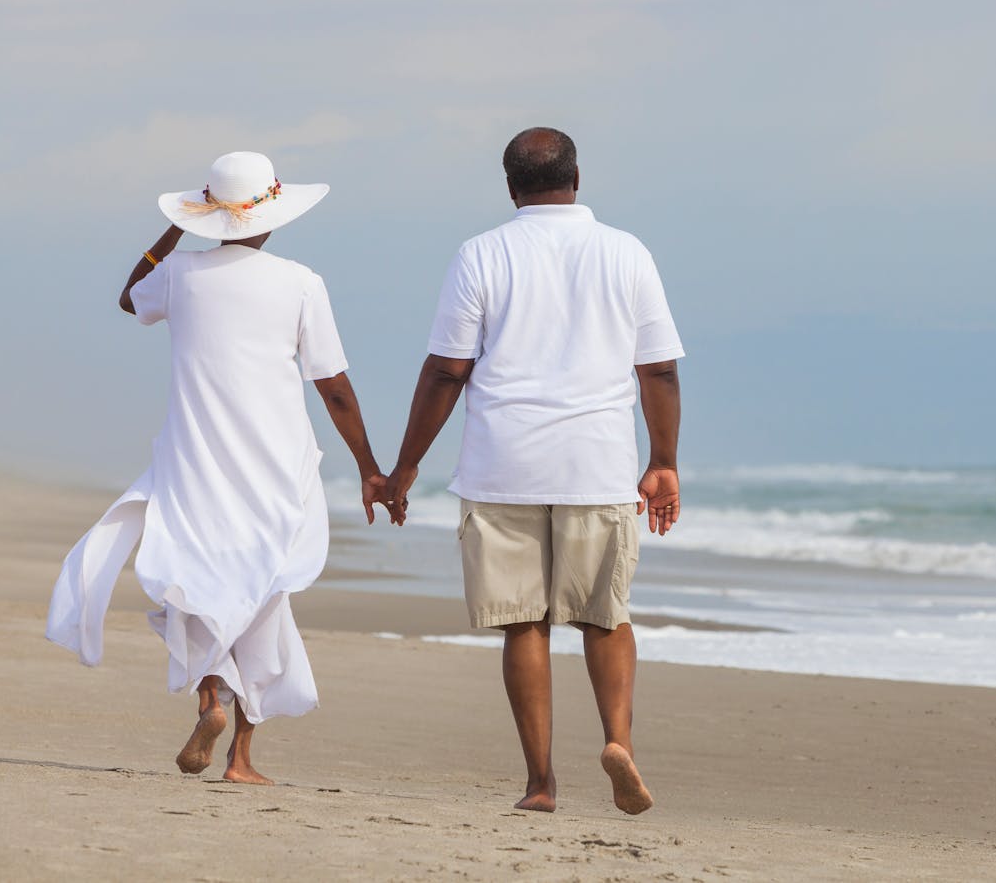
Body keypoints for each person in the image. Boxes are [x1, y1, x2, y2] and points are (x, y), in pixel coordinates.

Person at [47, 151, 386, 785]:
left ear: (209, 214)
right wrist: (370, 467)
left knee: (196, 583)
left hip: (195, 459)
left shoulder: (178, 274)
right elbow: (333, 385)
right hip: (276, 464)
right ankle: (243, 761)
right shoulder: (300, 281)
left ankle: (210, 701)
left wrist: (181, 226)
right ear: (272, 214)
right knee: (263, 591)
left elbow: (129, 297)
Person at [384, 127, 683, 814]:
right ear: (577, 177)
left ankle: (540, 782)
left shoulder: (481, 254)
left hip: (502, 463)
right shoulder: (625, 252)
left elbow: (447, 371)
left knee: (525, 623)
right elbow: (658, 368)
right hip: (598, 461)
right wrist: (662, 460)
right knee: (605, 617)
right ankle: (618, 743)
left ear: (511, 186)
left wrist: (405, 466)